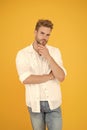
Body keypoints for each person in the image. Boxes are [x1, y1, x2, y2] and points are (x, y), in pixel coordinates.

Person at [16, 19, 67, 130]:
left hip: (54, 103)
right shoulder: (23, 54)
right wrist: (50, 76)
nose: (44, 37)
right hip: (34, 104)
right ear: (35, 32)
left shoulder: (55, 51)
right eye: (42, 33)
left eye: (48, 35)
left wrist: (48, 56)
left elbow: (61, 76)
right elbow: (26, 79)